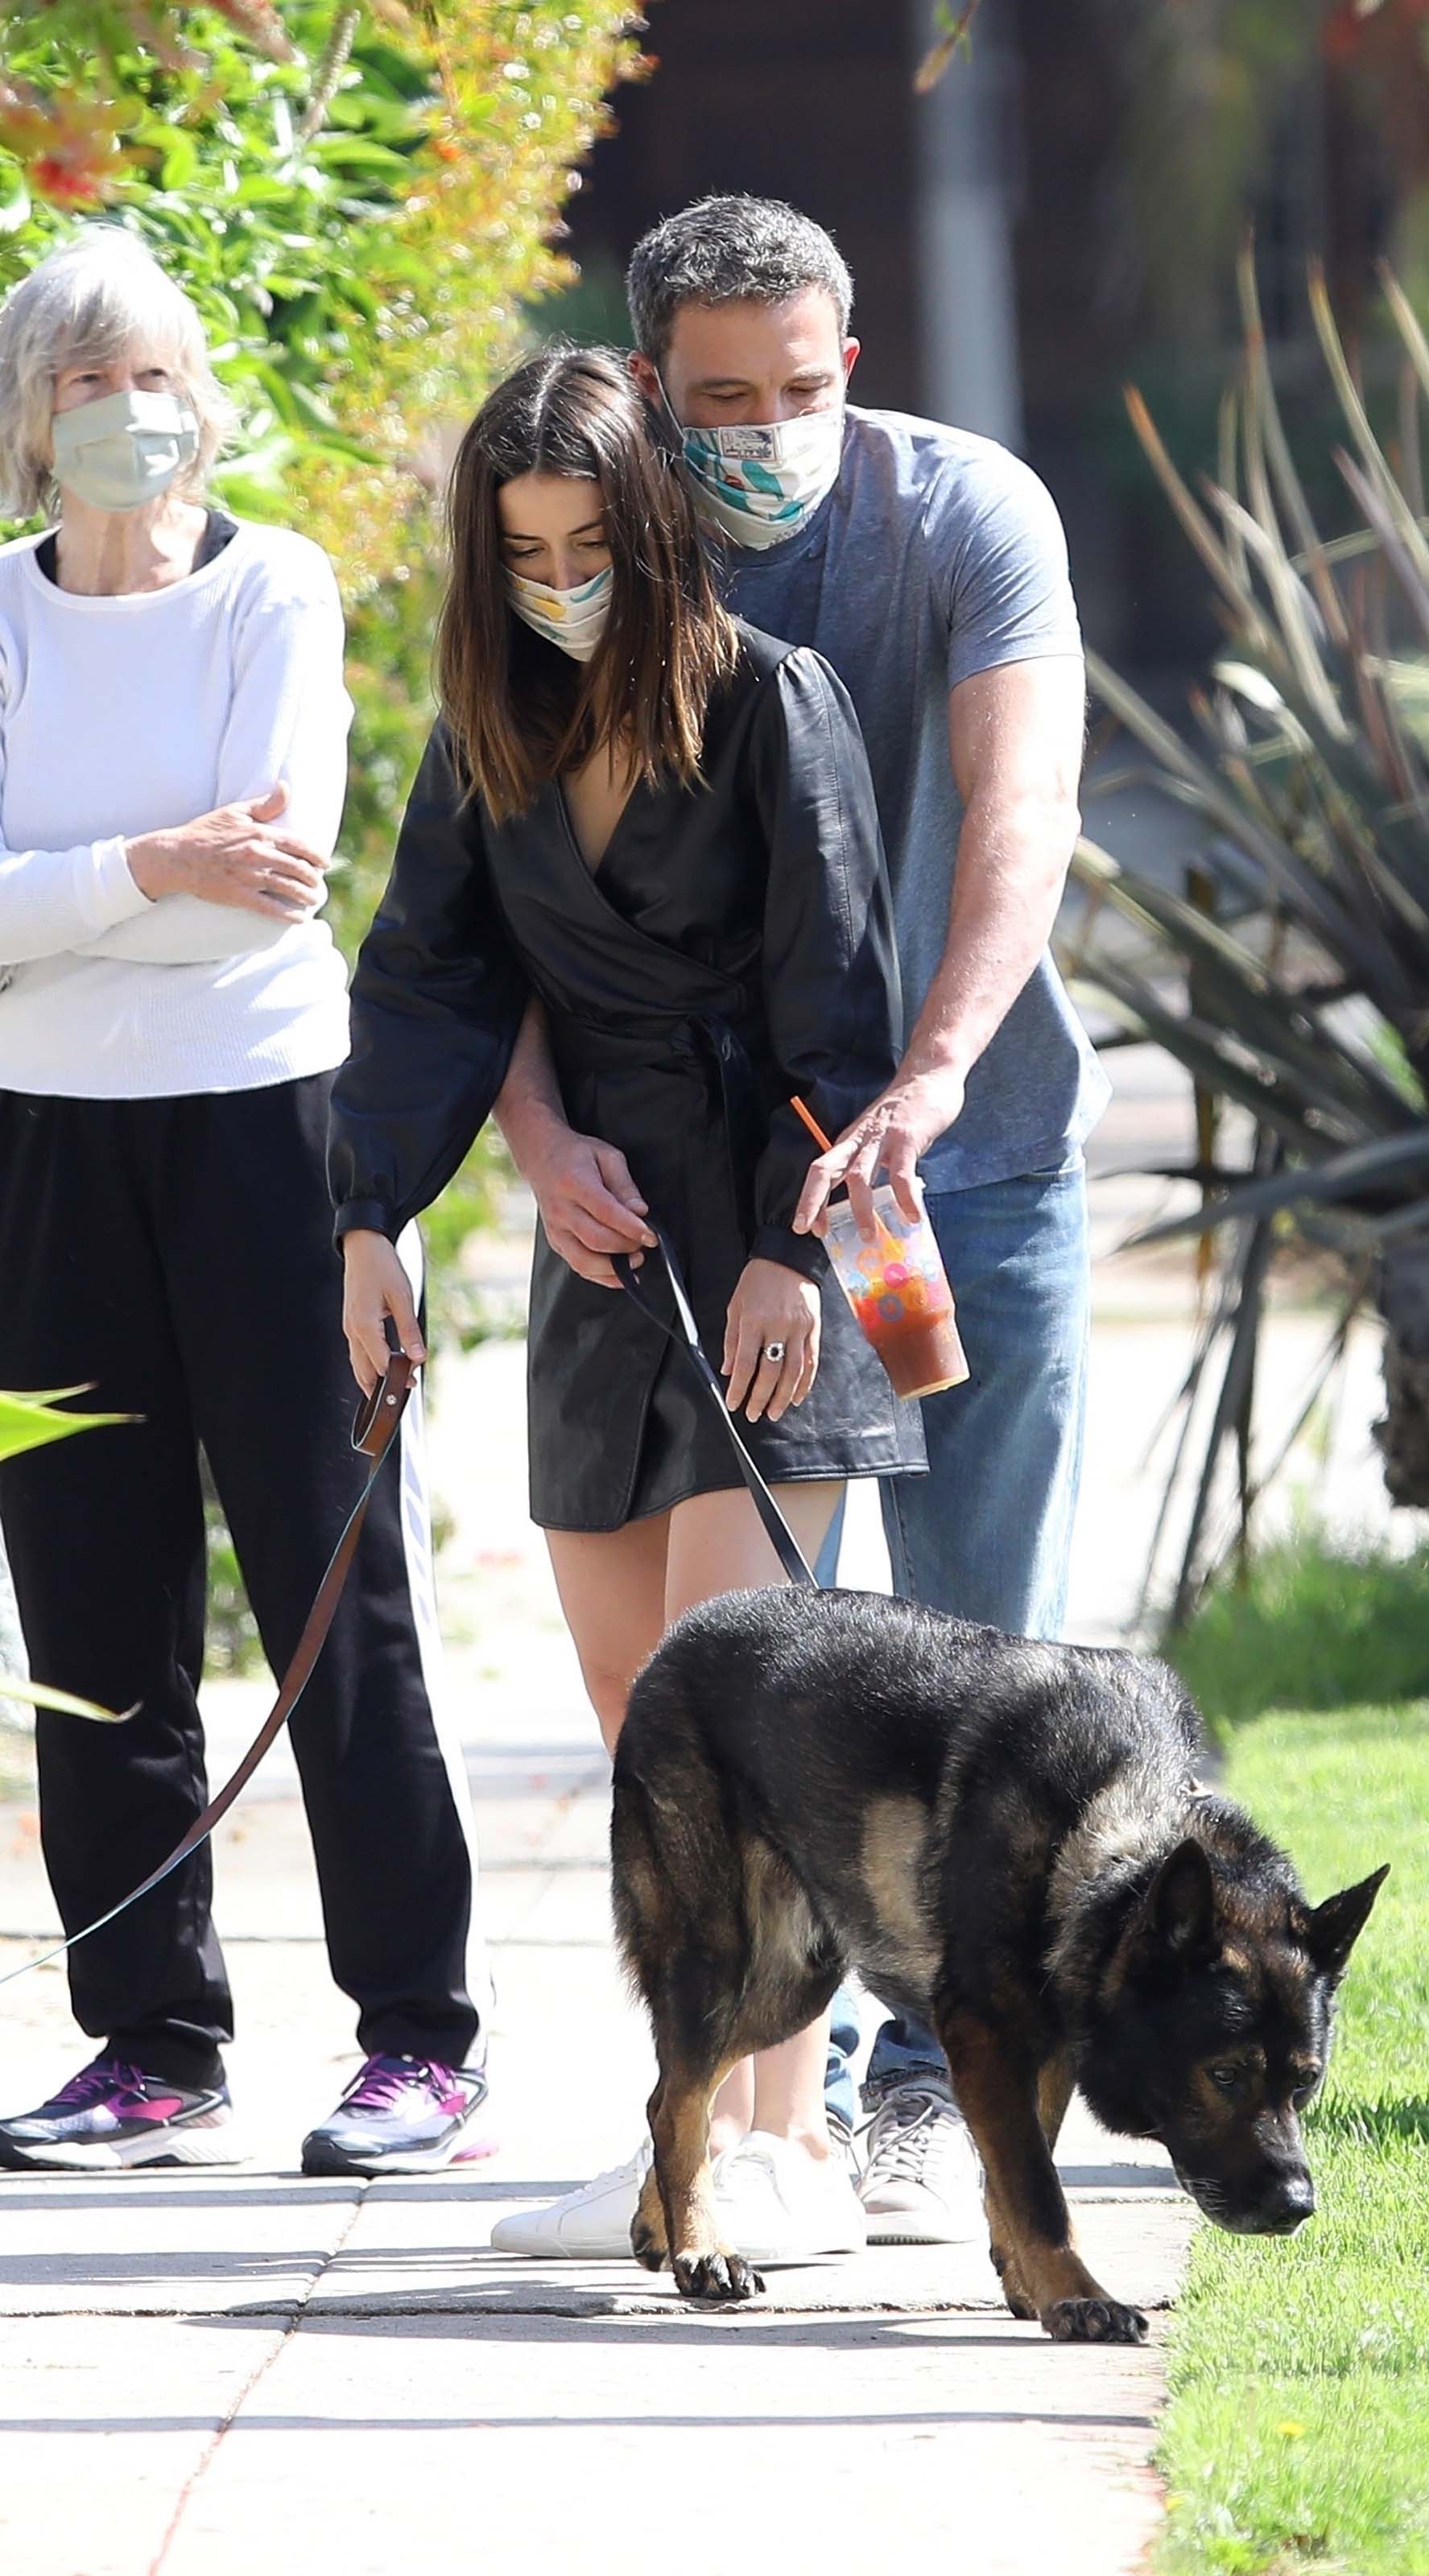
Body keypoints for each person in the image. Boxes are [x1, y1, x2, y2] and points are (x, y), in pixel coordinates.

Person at [495, 196, 1105, 2248]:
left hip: (966, 1168)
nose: (768, 424)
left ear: (856, 356)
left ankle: (947, 2079)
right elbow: (501, 887)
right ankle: (797, 2111)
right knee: (770, 1679)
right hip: (731, 1213)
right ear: (654, 385)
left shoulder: (960, 518)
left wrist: (925, 1079)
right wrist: (528, 1123)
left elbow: (1018, 813)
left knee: (985, 1666)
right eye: (722, 394)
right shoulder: (608, 547)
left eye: (805, 382)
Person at [330, 345, 922, 2267]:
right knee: (629, 1720)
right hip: (602, 1252)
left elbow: (841, 996)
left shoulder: (770, 702)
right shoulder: (488, 725)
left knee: (742, 1720)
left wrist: (790, 1243)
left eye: (590, 542)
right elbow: (427, 976)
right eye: (521, 552)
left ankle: (781, 2154)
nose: (559, 580)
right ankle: (690, 2139)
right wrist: (380, 1215)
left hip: (764, 1242)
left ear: (654, 526)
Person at [0, 228, 489, 2180]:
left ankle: (419, 2037)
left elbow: (277, 869)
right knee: (89, 1597)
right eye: (90, 384)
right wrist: (146, 867)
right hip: (41, 1145)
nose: (136, 416)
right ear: (34, 425)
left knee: (326, 1581)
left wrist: (61, 891)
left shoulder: (272, 587)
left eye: (162, 378)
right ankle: (150, 2042)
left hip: (269, 1127)